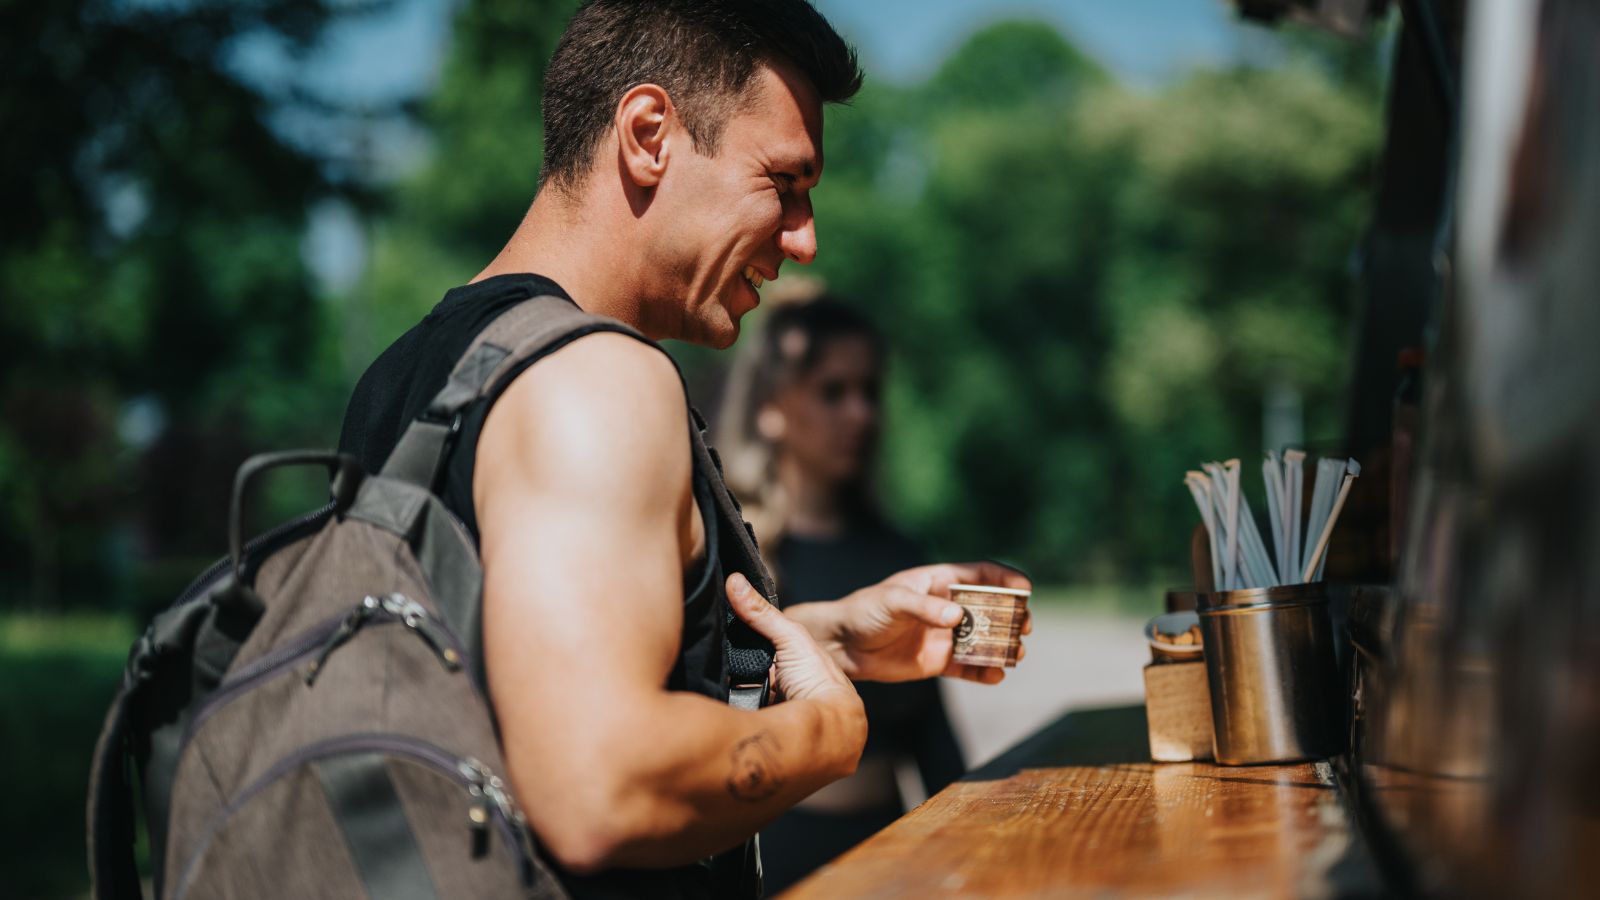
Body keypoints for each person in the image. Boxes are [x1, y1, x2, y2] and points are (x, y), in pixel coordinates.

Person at [337, 2, 1030, 898]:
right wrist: (828, 732)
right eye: (783, 182)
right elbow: (600, 788)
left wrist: (834, 641)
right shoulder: (599, 380)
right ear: (649, 135)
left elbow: (515, 683)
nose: (804, 239)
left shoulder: (403, 377)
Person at [717, 295, 967, 891]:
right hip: (773, 855)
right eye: (832, 392)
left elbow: (933, 736)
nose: (860, 413)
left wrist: (968, 842)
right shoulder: (735, 558)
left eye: (870, 391)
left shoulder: (898, 556)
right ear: (771, 406)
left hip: (889, 847)